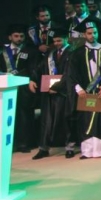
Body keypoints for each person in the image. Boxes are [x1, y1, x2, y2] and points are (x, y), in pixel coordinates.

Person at [67, 20, 101, 159]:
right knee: (85, 120)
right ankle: (87, 151)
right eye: (89, 33)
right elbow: (71, 73)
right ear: (84, 35)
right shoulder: (77, 53)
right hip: (85, 92)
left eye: (95, 32)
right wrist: (78, 89)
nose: (93, 35)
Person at [30, 28, 73, 159]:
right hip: (48, 92)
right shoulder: (51, 53)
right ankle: (43, 148)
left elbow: (69, 73)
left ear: (66, 39)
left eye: (59, 40)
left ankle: (69, 147)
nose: (57, 43)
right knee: (46, 121)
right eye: (54, 41)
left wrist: (57, 87)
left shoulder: (72, 52)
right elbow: (40, 67)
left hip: (64, 92)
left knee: (65, 119)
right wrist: (32, 79)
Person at [3, 23, 39, 153]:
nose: (19, 39)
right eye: (16, 36)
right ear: (10, 37)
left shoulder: (30, 50)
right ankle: (8, 143)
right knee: (6, 115)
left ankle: (24, 143)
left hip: (24, 86)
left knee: (24, 114)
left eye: (21, 36)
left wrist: (33, 80)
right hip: (6, 87)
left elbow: (34, 67)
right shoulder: (2, 51)